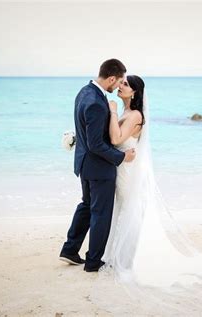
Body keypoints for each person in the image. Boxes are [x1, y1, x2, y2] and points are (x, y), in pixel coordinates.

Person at [90, 75, 202, 316]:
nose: (121, 86)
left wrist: (112, 111)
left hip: (128, 171)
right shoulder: (127, 112)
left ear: (134, 93)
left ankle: (128, 258)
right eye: (121, 83)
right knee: (123, 210)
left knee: (129, 210)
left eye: (126, 84)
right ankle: (119, 254)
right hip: (123, 166)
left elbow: (116, 139)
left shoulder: (134, 115)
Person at [59, 59, 136, 272]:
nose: (118, 86)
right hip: (99, 168)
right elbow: (96, 144)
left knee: (86, 206)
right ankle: (93, 261)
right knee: (100, 213)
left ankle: (69, 249)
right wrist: (121, 158)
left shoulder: (84, 92)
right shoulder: (95, 102)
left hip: (84, 164)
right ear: (111, 78)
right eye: (119, 81)